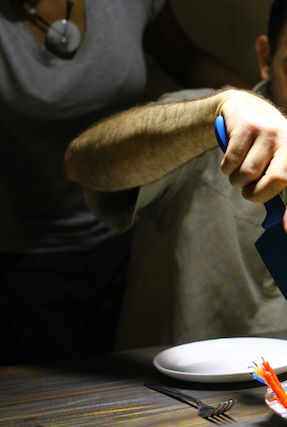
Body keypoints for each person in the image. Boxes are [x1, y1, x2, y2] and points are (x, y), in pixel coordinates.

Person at [64, 0, 287, 356]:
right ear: (266, 58)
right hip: (163, 389)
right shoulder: (197, 121)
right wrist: (212, 114)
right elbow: (82, 165)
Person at [0, 0, 250, 365]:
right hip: (23, 253)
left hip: (125, 228)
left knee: (128, 389)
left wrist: (266, 107)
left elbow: (184, 57)